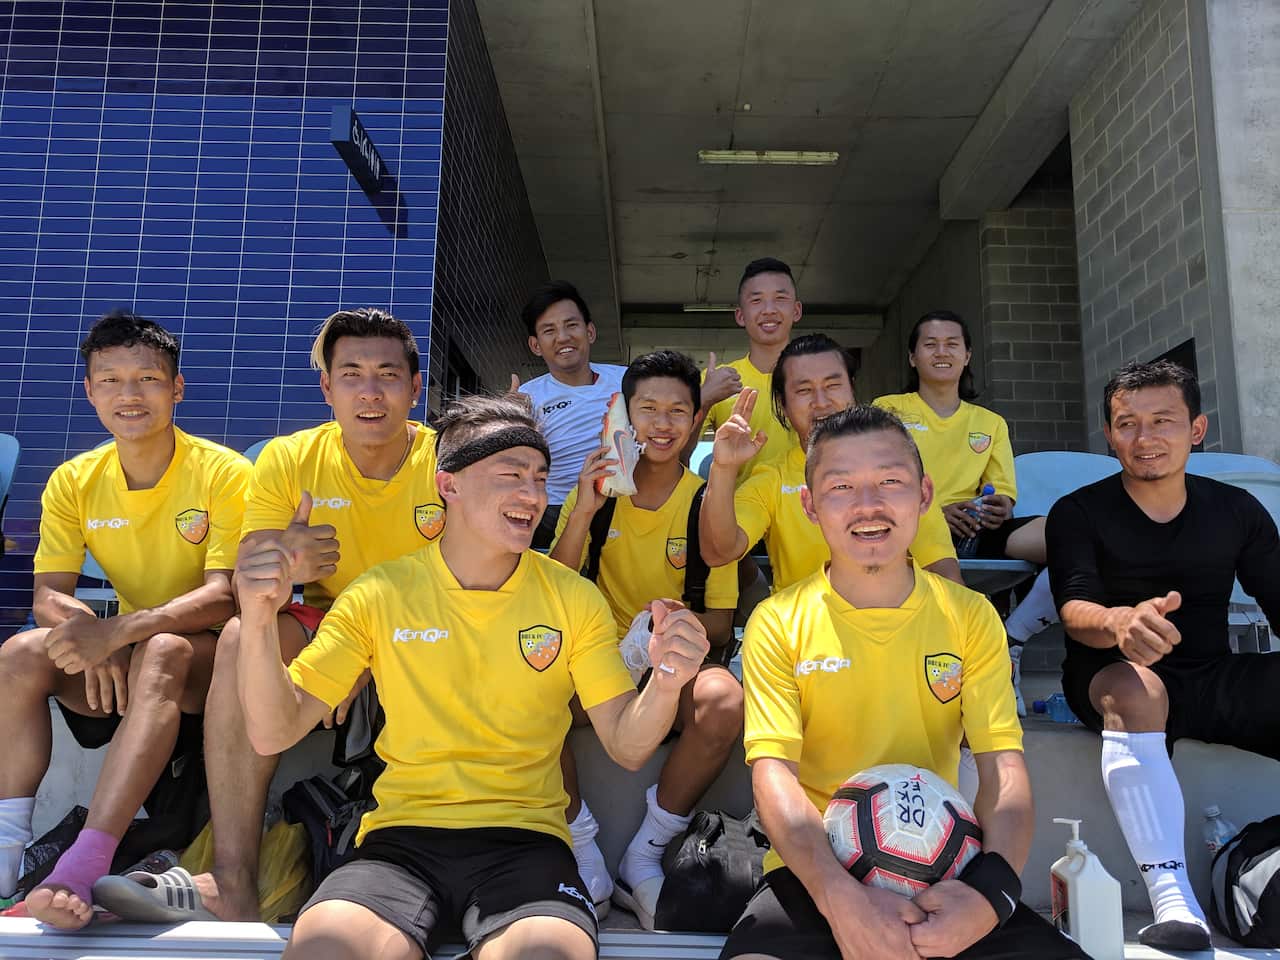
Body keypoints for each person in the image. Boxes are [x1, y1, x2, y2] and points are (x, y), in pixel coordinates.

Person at [233, 393, 709, 960]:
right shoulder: (381, 593)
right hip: (398, 843)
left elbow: (628, 747)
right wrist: (259, 620)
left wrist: (668, 679)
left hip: (528, 845)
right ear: (448, 485)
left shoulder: (573, 597)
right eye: (510, 475)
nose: (531, 496)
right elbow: (272, 731)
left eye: (539, 478)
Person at [98, 308, 446, 923]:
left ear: (416, 388)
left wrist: (372, 646)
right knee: (240, 636)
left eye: (388, 374)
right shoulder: (289, 459)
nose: (370, 392)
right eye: (352, 374)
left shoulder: (445, 461)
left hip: (423, 630)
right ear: (327, 387)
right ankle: (231, 876)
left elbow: (476, 578)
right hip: (323, 627)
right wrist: (286, 563)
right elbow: (251, 577)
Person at [719, 405, 1086, 960]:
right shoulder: (779, 620)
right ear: (810, 506)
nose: (868, 506)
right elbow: (774, 779)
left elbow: (1003, 773)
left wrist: (990, 896)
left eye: (889, 481)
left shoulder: (970, 616)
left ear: (923, 494)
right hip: (817, 874)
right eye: (841, 486)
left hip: (947, 871)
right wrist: (841, 899)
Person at [0, 311, 250, 928]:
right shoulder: (75, 480)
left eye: (146, 378)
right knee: (21, 654)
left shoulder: (223, 472)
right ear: (89, 391)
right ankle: (6, 853)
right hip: (131, 649)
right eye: (109, 380)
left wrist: (122, 631)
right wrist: (94, 634)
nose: (128, 395)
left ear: (177, 388)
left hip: (212, 658)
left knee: (163, 648)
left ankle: (86, 862)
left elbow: (226, 596)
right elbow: (48, 593)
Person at [1048, 359, 1280, 951]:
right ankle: (1172, 899)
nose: (1144, 438)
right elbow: (1074, 611)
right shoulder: (1078, 511)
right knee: (1139, 687)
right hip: (1109, 675)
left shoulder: (1237, 511)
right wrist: (1120, 622)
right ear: (1108, 434)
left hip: (1209, 674)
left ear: (1195, 429)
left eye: (1163, 421)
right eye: (1127, 423)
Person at [551, 350, 742, 930]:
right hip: (596, 664)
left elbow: (720, 623)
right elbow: (548, 592)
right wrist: (583, 511)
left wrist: (656, 636)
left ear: (695, 420)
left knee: (723, 701)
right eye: (648, 409)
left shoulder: (706, 501)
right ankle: (582, 846)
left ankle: (647, 851)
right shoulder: (600, 490)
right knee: (529, 694)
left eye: (678, 411)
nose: (662, 424)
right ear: (622, 413)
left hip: (674, 667)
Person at [874, 310, 1059, 714]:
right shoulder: (888, 409)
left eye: (951, 344)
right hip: (912, 528)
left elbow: (1004, 492)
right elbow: (878, 480)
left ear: (967, 354)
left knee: (1072, 536)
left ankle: (1011, 639)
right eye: (930, 344)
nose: (942, 352)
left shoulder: (989, 423)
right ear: (912, 358)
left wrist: (997, 506)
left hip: (974, 527)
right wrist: (937, 510)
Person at [699, 333, 961, 591]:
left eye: (833, 385)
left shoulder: (900, 474)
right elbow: (719, 552)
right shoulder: (772, 477)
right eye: (804, 390)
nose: (821, 402)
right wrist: (724, 467)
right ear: (783, 404)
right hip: (801, 631)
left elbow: (944, 575)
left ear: (852, 387)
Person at [514, 281, 627, 549]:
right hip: (553, 510)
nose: (563, 337)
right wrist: (509, 423)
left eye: (571, 325)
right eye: (549, 330)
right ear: (535, 345)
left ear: (590, 332)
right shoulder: (526, 397)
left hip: (619, 502)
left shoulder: (626, 380)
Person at [692, 257, 802, 485]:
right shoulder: (717, 380)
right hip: (738, 514)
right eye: (757, 300)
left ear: (797, 310)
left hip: (807, 514)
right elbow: (674, 455)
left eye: (780, 299)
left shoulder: (817, 378)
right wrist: (703, 399)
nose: (769, 310)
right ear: (740, 316)